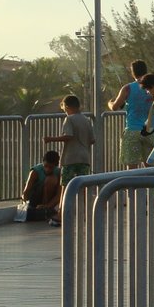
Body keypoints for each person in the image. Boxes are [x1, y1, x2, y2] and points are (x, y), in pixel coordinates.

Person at [43, 95, 96, 225]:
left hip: (71, 158)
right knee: (83, 187)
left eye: (64, 109)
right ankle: (87, 215)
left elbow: (68, 136)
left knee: (65, 187)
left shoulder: (69, 119)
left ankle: (61, 215)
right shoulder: (86, 119)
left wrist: (51, 139)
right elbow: (92, 139)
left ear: (67, 107)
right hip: (84, 158)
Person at [107, 59, 154, 169]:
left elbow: (115, 107)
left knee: (132, 168)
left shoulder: (127, 88)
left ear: (132, 72)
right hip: (149, 131)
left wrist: (110, 102)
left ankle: (134, 186)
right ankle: (152, 186)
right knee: (150, 166)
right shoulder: (153, 88)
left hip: (132, 130)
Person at [21, 150, 61, 222]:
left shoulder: (58, 173)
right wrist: (25, 203)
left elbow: (59, 195)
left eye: (51, 167)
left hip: (48, 201)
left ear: (55, 166)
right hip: (35, 199)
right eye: (45, 166)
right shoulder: (35, 172)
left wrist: (47, 206)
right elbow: (26, 192)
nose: (47, 169)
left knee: (51, 180)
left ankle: (45, 209)